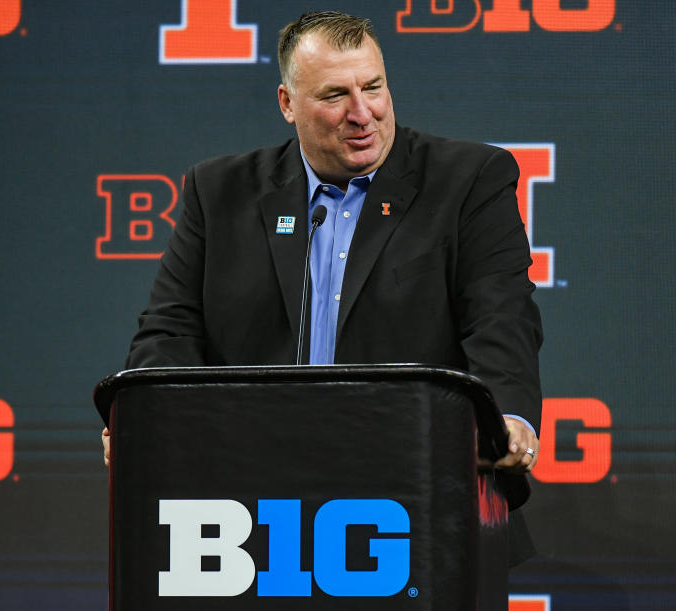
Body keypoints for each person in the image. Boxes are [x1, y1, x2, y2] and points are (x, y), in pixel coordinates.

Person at [103, 10, 542, 492]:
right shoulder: (220, 192)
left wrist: (506, 419)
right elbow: (169, 330)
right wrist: (146, 419)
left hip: (418, 484)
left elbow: (501, 315)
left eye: (373, 87)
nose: (362, 113)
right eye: (335, 95)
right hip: (253, 488)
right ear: (288, 103)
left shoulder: (468, 180)